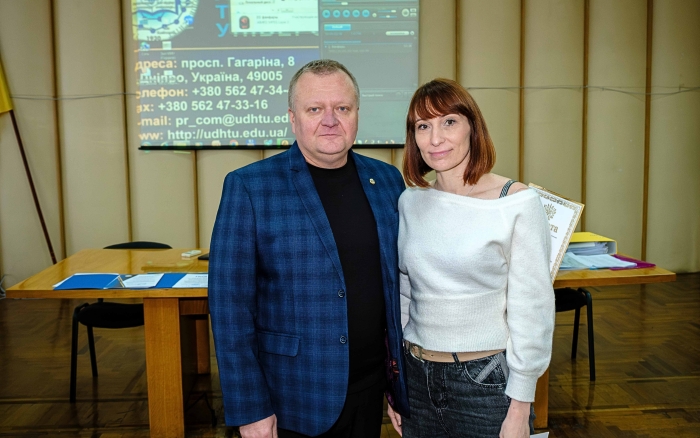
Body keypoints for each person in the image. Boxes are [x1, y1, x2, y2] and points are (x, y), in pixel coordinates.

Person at [208, 59, 410, 438]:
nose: (330, 120)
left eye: (342, 108)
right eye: (315, 109)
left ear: (357, 114)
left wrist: (396, 386)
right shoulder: (250, 187)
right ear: (292, 118)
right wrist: (251, 409)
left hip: (369, 390)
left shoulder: (386, 180)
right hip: (293, 398)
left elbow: (395, 287)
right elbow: (230, 310)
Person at [387, 78, 554, 438]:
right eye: (423, 126)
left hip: (485, 382)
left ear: (472, 128)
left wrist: (520, 406)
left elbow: (533, 309)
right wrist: (395, 382)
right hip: (416, 379)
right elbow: (403, 294)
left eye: (449, 122)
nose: (435, 138)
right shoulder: (410, 201)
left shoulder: (516, 202)